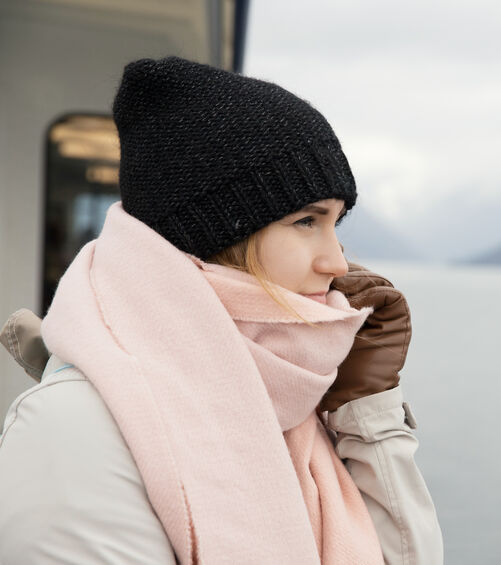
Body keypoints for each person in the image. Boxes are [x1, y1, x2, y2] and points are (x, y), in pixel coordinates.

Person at [0, 57, 443, 564]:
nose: (337, 262)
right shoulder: (70, 430)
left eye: (336, 223)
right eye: (306, 221)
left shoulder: (296, 393)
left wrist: (367, 405)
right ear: (213, 235)